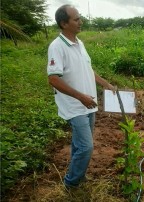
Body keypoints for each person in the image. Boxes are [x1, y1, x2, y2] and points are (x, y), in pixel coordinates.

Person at [47, 4, 116, 188]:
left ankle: (79, 175)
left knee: (79, 145)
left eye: (80, 18)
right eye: (76, 19)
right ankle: (71, 183)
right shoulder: (57, 47)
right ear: (63, 23)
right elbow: (53, 79)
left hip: (89, 104)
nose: (81, 22)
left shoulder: (80, 43)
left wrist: (106, 84)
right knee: (87, 147)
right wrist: (80, 97)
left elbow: (88, 70)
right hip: (75, 106)